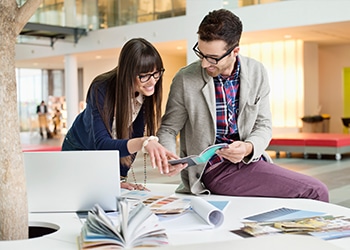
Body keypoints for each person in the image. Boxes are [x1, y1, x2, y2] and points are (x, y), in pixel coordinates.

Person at [157, 9, 329, 202]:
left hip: (250, 161)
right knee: (316, 191)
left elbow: (263, 125)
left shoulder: (257, 72)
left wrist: (247, 148)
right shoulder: (185, 79)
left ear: (235, 51)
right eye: (201, 54)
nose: (205, 64)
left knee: (312, 191)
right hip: (214, 170)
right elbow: (169, 129)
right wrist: (169, 156)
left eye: (213, 58)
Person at [62, 38, 178, 191]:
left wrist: (120, 178)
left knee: (110, 196)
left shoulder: (145, 92)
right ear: (128, 73)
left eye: (156, 73)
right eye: (144, 76)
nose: (152, 81)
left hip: (104, 153)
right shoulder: (101, 88)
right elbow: (102, 144)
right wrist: (144, 142)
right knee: (79, 197)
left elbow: (132, 135)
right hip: (79, 149)